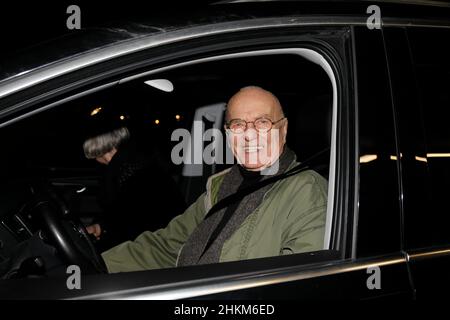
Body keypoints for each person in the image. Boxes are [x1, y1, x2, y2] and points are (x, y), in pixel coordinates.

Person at [101, 86, 328, 273]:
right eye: (238, 125)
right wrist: (98, 265)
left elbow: (299, 284)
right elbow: (167, 246)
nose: (249, 135)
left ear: (284, 129)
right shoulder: (221, 186)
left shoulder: (308, 191)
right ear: (228, 134)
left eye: (262, 122)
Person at [83, 124, 186, 251]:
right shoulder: (133, 163)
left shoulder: (131, 171)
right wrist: (100, 227)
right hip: (158, 240)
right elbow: (123, 212)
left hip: (159, 245)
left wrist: (103, 229)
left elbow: (132, 219)